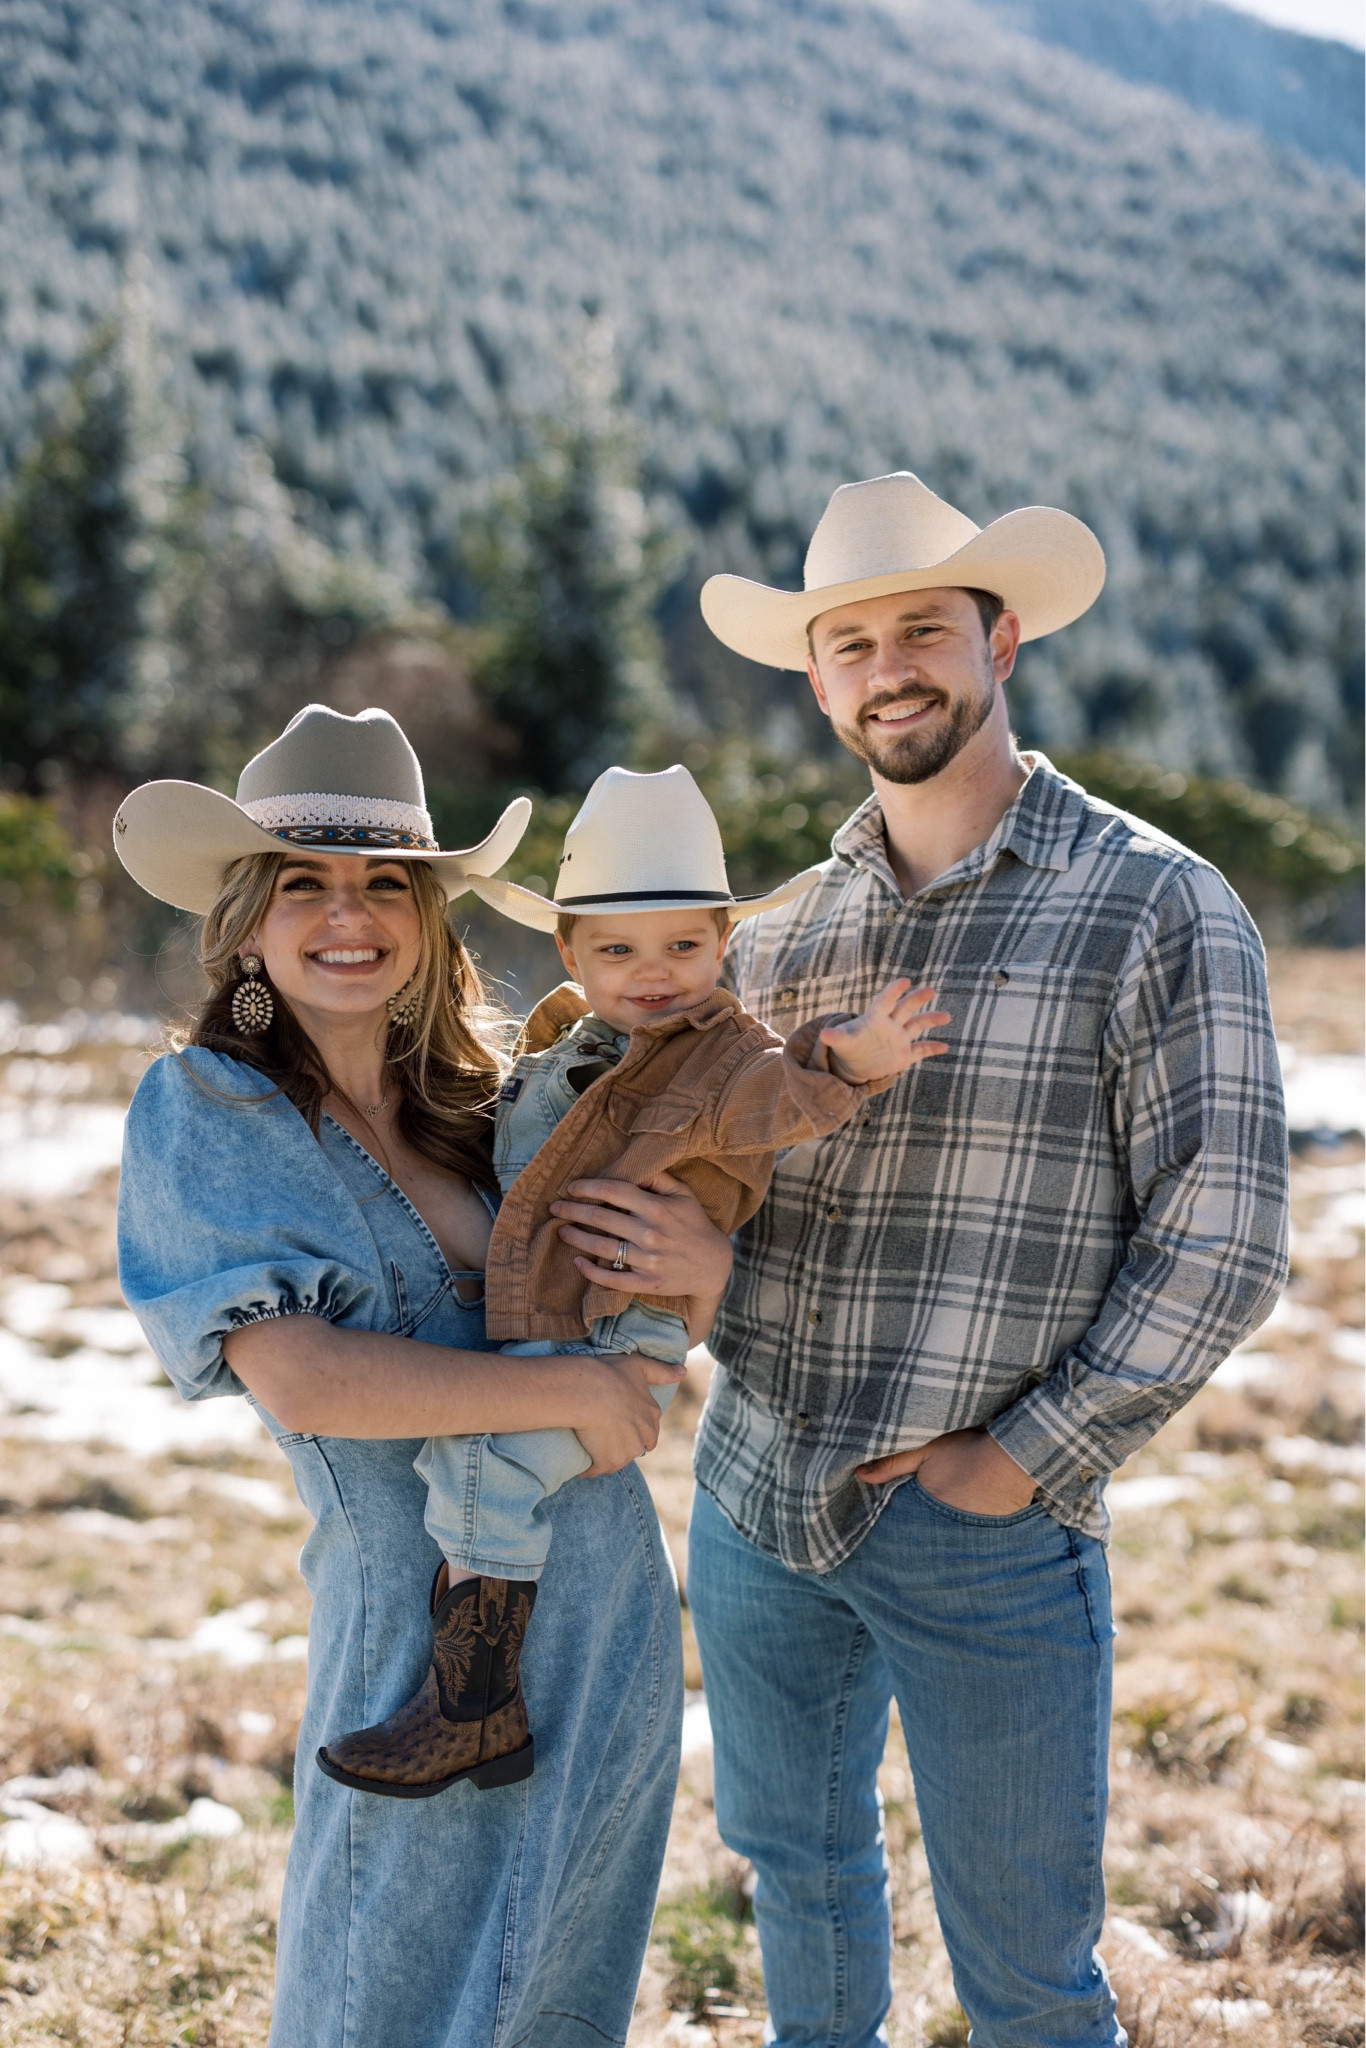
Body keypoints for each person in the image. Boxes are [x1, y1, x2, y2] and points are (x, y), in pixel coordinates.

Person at [689, 472, 1290, 2047]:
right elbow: (721, 1190)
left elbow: (1222, 1237)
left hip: (984, 1528)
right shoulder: (779, 938)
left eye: (921, 632)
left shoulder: (1154, 903)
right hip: (754, 1499)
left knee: (1026, 1975)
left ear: (999, 637)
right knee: (797, 1883)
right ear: (816, 681)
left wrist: (1023, 1457)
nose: (888, 668)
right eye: (849, 644)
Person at [114, 703, 736, 2048]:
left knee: (557, 1998)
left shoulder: (496, 1102)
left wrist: (703, 1269)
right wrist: (561, 1392)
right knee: (384, 1997)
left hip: (608, 1604)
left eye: (384, 882)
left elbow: (641, 1332)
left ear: (428, 916)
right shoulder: (210, 1108)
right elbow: (304, 1379)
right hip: (415, 1638)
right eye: (305, 885)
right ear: (246, 923)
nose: (351, 915)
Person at [319, 762, 951, 1795]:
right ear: (567, 949)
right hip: (547, 1315)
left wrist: (849, 1062)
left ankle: (472, 1707)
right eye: (616, 947)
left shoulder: (716, 1056)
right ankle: (483, 1701)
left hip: (612, 1324)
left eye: (684, 945)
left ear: (723, 942)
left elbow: (776, 1095)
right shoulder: (563, 1043)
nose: (651, 971)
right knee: (464, 1461)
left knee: (487, 1469)